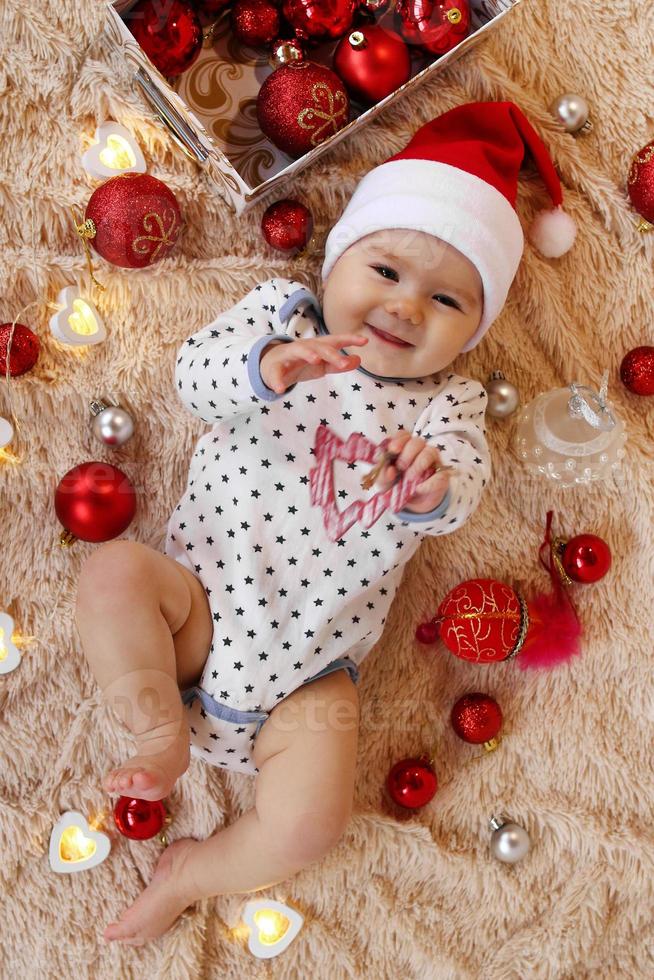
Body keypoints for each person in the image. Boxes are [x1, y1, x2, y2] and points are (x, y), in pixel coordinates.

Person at [74, 100, 575, 944]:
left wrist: (432, 486)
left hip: (309, 677)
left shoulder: (446, 406)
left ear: (472, 331)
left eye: (446, 299)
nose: (407, 308)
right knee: (111, 573)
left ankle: (198, 870)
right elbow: (192, 377)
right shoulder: (282, 318)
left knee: (311, 825)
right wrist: (265, 369)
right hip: (195, 604)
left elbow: (467, 493)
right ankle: (155, 717)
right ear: (338, 258)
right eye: (384, 272)